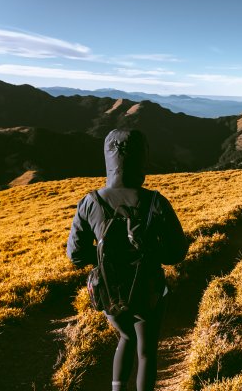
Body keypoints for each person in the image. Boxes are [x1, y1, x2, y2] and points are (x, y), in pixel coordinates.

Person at [66, 129, 188, 391]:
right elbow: (176, 253)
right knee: (146, 352)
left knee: (125, 337)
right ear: (141, 157)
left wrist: (101, 258)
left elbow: (75, 254)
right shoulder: (155, 201)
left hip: (108, 291)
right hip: (149, 290)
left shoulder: (90, 202)